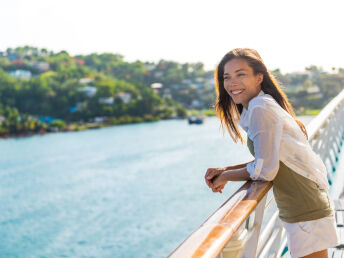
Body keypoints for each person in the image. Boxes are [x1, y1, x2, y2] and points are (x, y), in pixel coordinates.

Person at [204, 48, 340, 258]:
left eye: (241, 74)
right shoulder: (260, 105)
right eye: (227, 77)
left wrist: (225, 176)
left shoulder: (261, 108)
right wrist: (226, 169)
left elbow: (265, 170)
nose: (232, 83)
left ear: (259, 77)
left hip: (303, 205)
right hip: (301, 202)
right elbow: (269, 157)